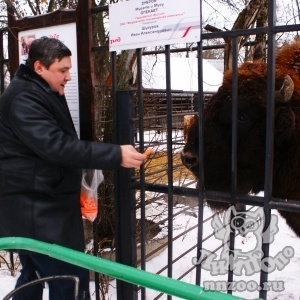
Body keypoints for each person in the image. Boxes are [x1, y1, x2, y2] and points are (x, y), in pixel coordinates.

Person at [0, 36, 146, 300]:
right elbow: (57, 146)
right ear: (39, 67)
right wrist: (116, 154)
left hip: (40, 207)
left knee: (33, 278)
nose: (68, 77)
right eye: (62, 70)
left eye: (69, 69)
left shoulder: (39, 89)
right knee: (70, 281)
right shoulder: (24, 97)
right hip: (40, 213)